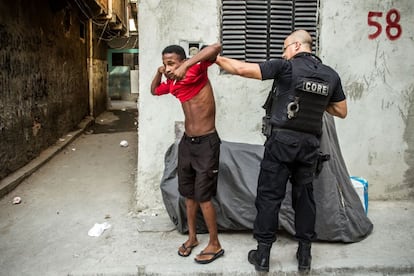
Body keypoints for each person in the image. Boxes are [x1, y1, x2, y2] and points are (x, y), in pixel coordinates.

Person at [215, 30, 347, 272]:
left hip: (281, 144)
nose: (283, 53)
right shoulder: (331, 75)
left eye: (285, 48)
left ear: (297, 46)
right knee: (305, 199)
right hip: (309, 147)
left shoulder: (285, 67)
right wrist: (313, 102)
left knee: (269, 197)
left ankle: (263, 255)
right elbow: (341, 110)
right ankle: (305, 255)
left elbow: (242, 69)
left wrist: (213, 57)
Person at [150, 43, 225, 264]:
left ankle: (215, 244)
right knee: (189, 194)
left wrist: (187, 64)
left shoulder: (196, 69)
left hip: (207, 143)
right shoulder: (172, 82)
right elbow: (154, 91)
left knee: (204, 196)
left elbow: (216, 47)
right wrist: (159, 73)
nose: (169, 68)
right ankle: (192, 238)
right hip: (187, 143)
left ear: (182, 61)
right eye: (165, 63)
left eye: (171, 63)